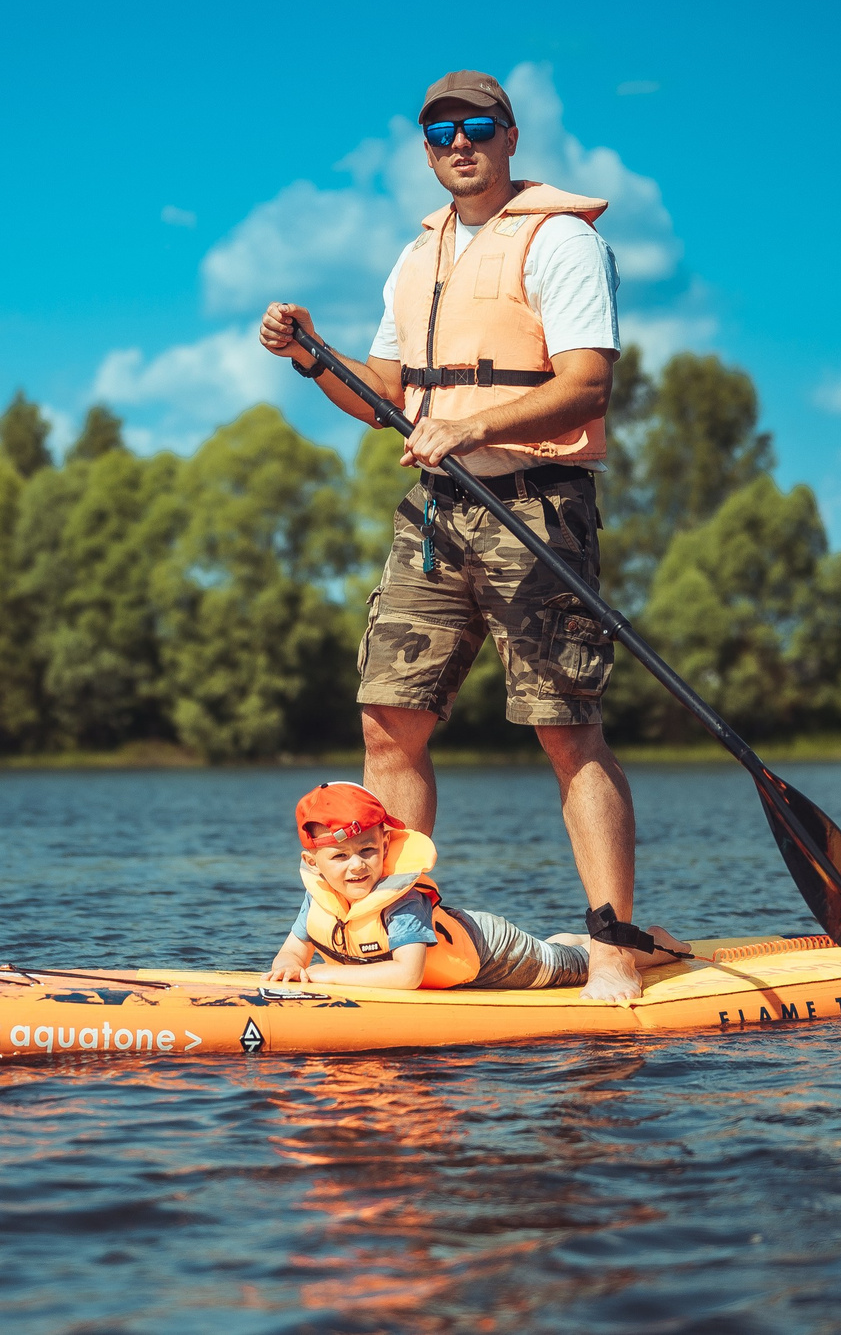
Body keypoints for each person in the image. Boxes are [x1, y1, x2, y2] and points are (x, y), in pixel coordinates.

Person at [258, 67, 653, 1000]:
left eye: (477, 125)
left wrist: (474, 424)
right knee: (388, 720)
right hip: (435, 513)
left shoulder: (560, 242)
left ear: (510, 135)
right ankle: (388, 935)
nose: (459, 142)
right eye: (440, 131)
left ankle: (614, 948)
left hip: (537, 507)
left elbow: (587, 384)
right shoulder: (417, 257)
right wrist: (313, 355)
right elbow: (384, 396)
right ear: (427, 149)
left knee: (566, 727)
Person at [265, 783, 687, 992]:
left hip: (494, 954)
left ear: (385, 844)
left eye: (367, 851)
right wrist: (287, 965)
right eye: (340, 858)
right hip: (471, 942)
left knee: (572, 969)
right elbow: (295, 947)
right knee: (560, 951)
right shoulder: (319, 896)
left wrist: (325, 976)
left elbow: (408, 975)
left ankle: (656, 945)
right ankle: (566, 941)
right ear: (313, 863)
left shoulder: (402, 901)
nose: (357, 867)